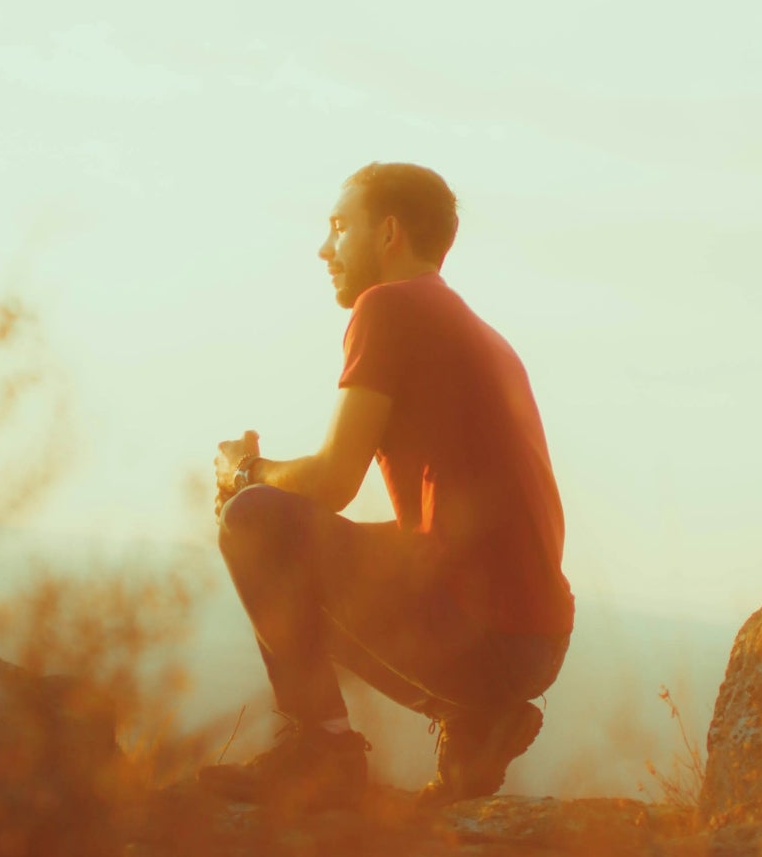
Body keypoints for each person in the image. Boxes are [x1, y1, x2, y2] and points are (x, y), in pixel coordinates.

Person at [200, 161, 574, 814]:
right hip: (536, 643)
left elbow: (332, 481)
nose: (324, 248)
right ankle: (480, 726)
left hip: (483, 638)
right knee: (324, 535)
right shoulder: (481, 333)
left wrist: (245, 474)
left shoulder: (389, 306)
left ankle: (323, 752)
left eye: (340, 227)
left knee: (253, 520)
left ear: (389, 234)